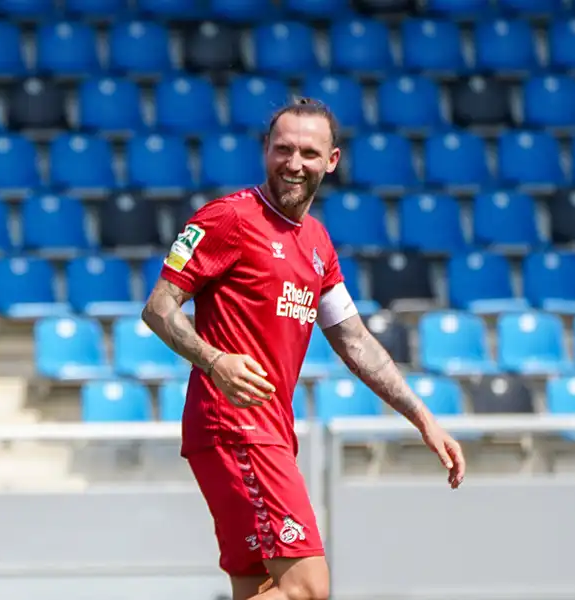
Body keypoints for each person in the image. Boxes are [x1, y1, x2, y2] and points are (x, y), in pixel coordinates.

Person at [141, 98, 467, 600]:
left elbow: (354, 340)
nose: (294, 164)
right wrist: (215, 359)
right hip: (236, 426)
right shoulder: (227, 218)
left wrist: (424, 418)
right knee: (307, 590)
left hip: (269, 431)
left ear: (331, 161)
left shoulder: (317, 242)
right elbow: (159, 307)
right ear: (265, 151)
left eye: (308, 153)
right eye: (283, 149)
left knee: (262, 588)